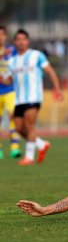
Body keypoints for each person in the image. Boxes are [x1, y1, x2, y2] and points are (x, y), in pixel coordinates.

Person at [0, 29, 63, 165]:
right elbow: (9, 80)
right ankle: (41, 144)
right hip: (19, 99)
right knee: (18, 128)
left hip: (33, 97)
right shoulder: (12, 61)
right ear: (15, 42)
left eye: (24, 39)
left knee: (29, 125)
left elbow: (50, 71)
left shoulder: (36, 55)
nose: (21, 42)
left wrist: (57, 89)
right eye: (18, 39)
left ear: (27, 41)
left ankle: (29, 157)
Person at [0, 26, 21, 159]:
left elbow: (18, 66)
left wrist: (10, 78)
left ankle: (15, 147)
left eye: (2, 34)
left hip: (10, 89)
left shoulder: (12, 50)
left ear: (6, 36)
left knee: (13, 116)